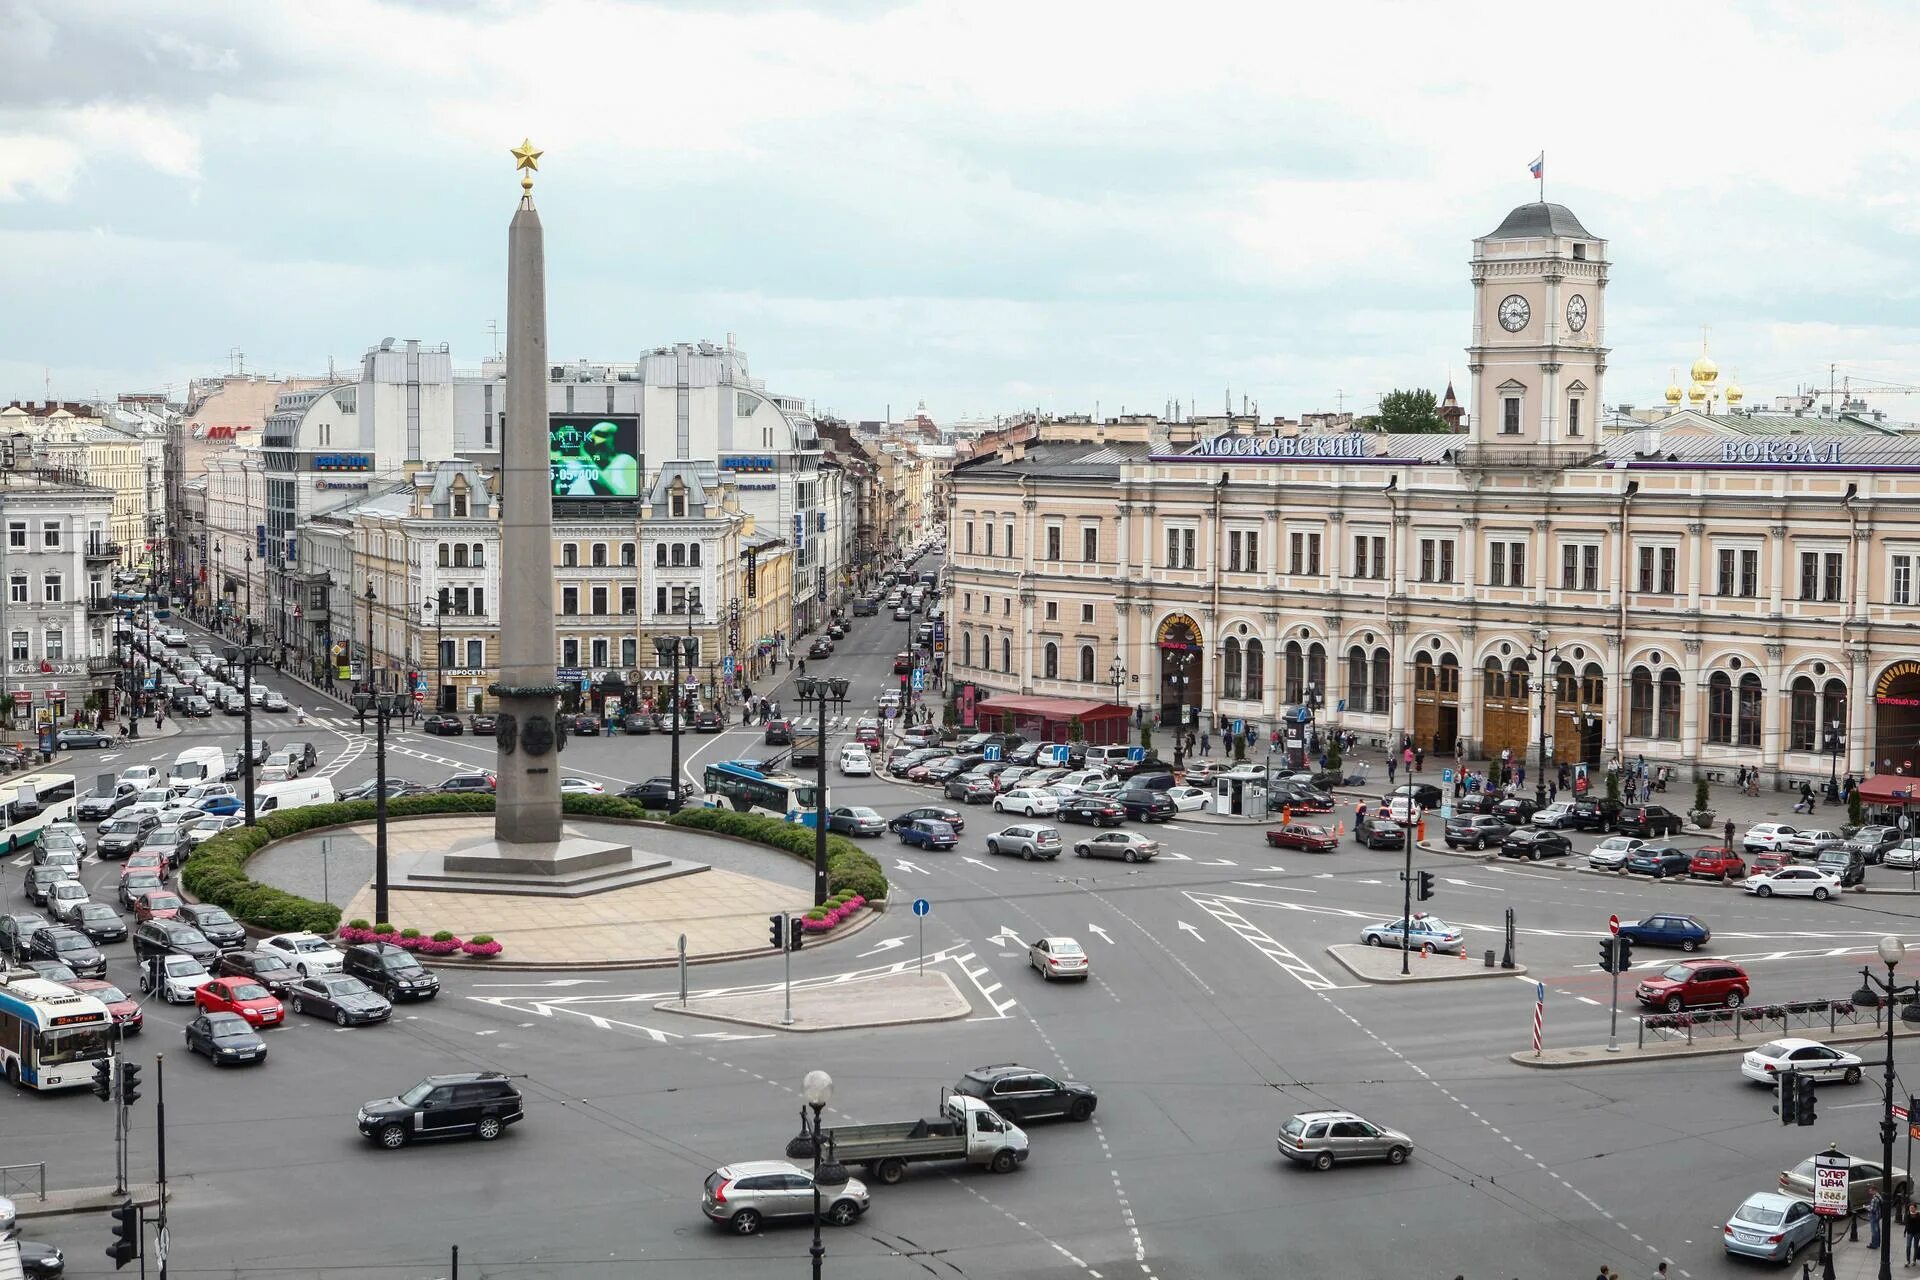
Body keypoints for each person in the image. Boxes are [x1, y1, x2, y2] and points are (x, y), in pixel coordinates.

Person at [1903, 1196, 1920, 1265]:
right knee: (1908, 1246)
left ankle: (1914, 1260)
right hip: (1909, 1232)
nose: (1911, 1209)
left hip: (1917, 1232)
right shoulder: (1907, 1214)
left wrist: (1916, 1215)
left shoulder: (1918, 1215)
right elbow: (1906, 1223)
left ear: (1915, 1208)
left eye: (1912, 1208)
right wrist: (1905, 1232)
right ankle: (1907, 1260)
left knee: (1915, 1246)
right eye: (1910, 1208)